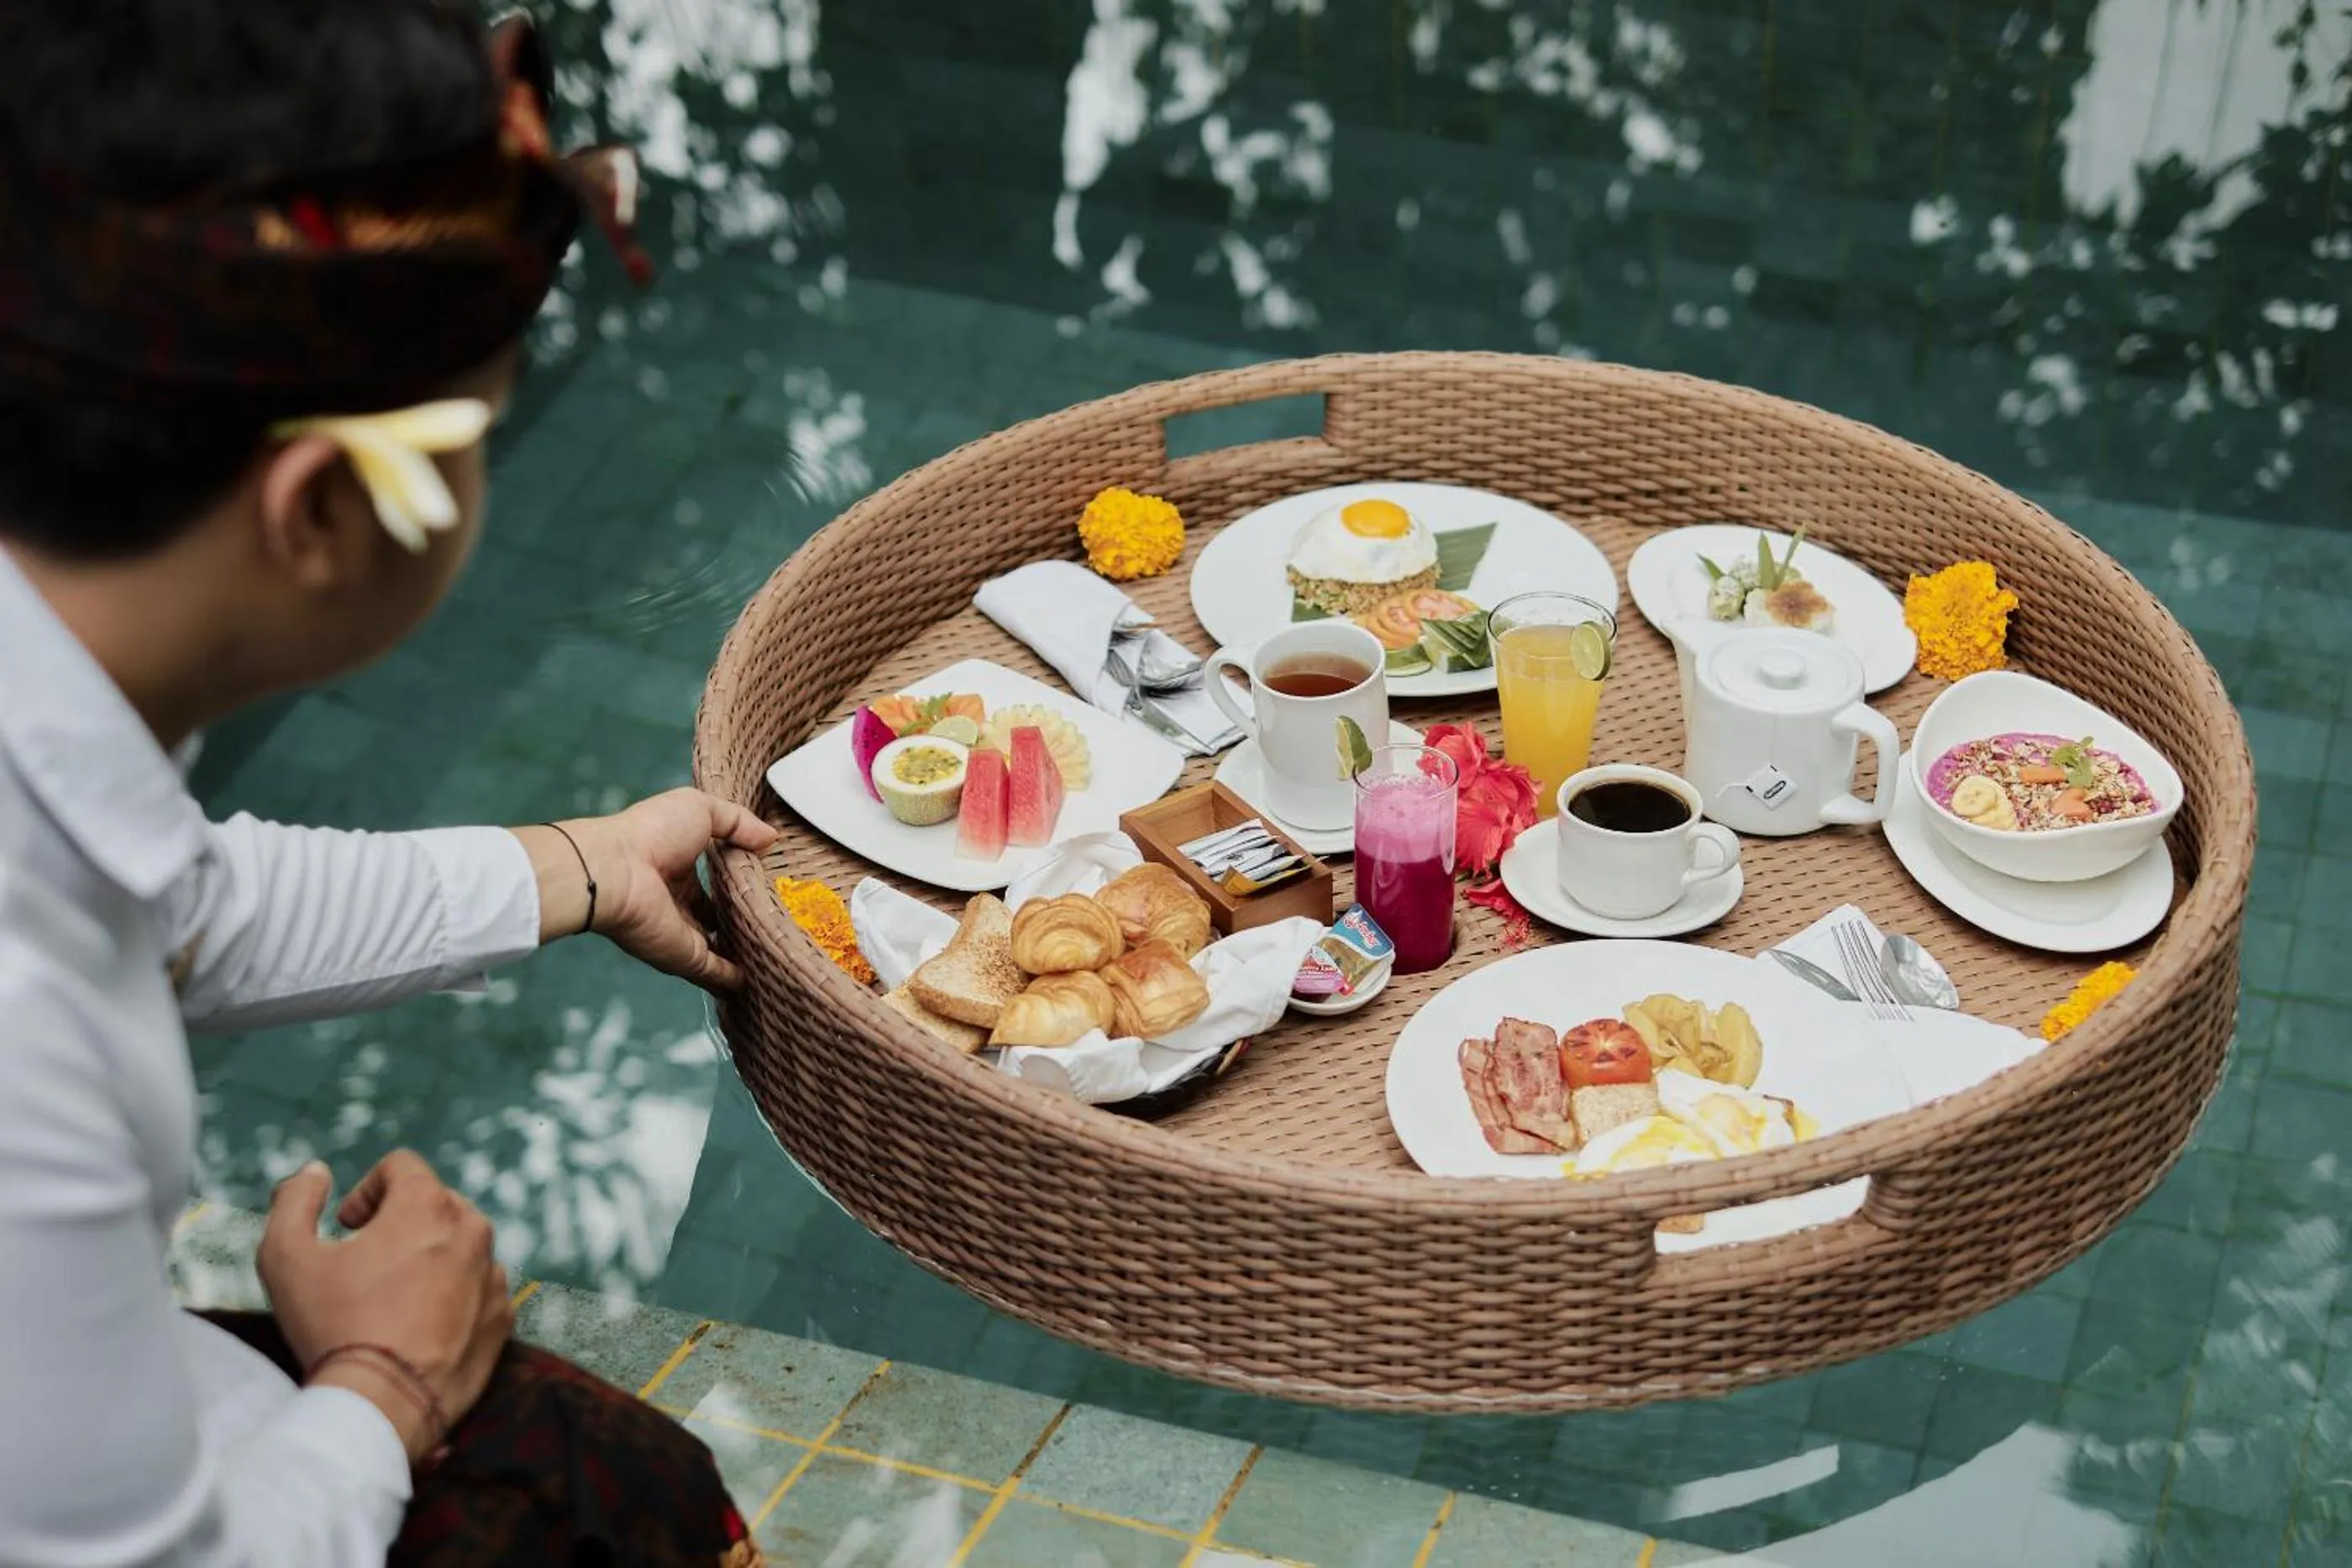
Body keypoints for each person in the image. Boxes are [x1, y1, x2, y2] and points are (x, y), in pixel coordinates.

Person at [0, 3, 777, 1564]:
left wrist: (586, 860)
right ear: (322, 509)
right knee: (611, 1498)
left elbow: (176, 898)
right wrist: (383, 1376)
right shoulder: (29, 1049)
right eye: (481, 431)